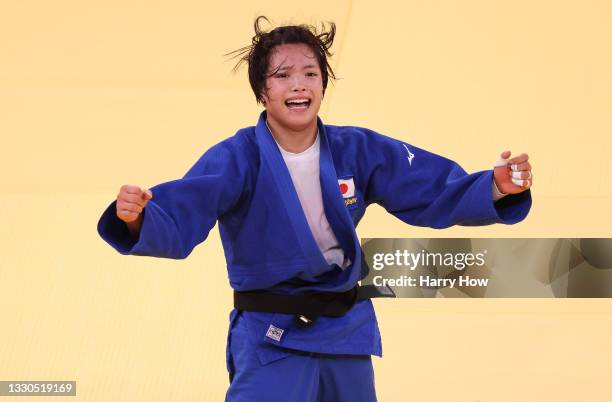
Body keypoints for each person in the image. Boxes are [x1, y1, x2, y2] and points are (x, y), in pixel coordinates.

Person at [97, 16, 533, 402]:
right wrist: (136, 217)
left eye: (311, 73)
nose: (300, 84)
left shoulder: (356, 148)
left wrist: (493, 187)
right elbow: (183, 210)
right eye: (283, 75)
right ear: (262, 91)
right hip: (271, 337)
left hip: (345, 331)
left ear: (323, 84)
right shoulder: (237, 157)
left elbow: (429, 187)